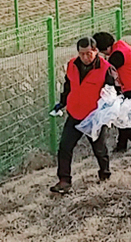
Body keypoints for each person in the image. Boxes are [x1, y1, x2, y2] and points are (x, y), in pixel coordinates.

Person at [50, 37, 117, 193]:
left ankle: (105, 175)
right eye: (82, 54)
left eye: (89, 53)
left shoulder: (106, 68)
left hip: (94, 116)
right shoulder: (72, 65)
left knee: (99, 149)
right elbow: (68, 86)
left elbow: (114, 92)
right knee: (65, 147)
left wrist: (107, 111)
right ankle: (64, 181)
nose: (85, 57)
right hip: (74, 113)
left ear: (95, 51)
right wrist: (62, 102)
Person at [92, 32, 131, 157]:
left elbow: (105, 72)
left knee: (124, 121)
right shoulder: (121, 47)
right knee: (122, 118)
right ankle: (121, 146)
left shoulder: (117, 55)